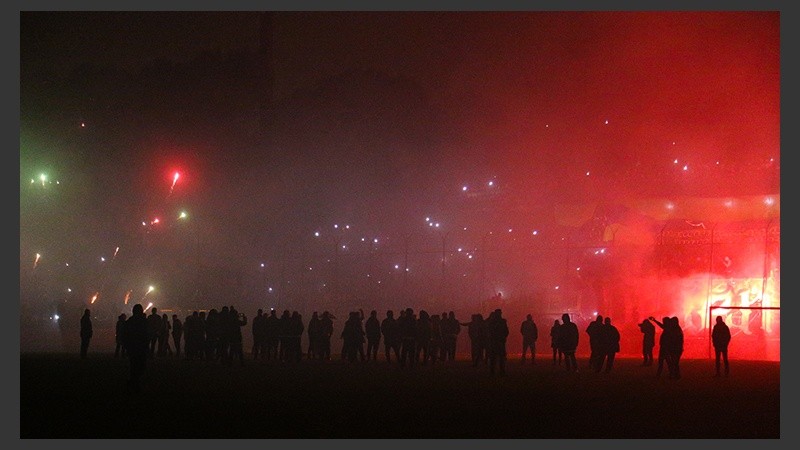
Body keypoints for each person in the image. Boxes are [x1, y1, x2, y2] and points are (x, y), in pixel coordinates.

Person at [123, 304, 150, 393]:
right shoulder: (143, 321)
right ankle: (135, 382)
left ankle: (133, 381)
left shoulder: (130, 321)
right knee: (140, 366)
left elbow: (125, 335)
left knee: (134, 366)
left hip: (133, 348)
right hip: (140, 347)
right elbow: (147, 334)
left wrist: (127, 346)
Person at [486, 309, 509, 375]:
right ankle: (501, 371)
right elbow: (506, 331)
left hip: (495, 341)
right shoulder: (502, 322)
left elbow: (490, 331)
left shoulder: (492, 322)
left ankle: (493, 371)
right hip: (499, 341)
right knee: (501, 356)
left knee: (494, 357)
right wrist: (503, 337)